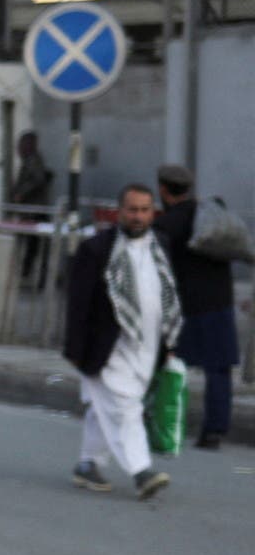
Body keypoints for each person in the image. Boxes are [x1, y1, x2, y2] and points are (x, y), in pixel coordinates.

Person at [64, 182, 179, 499]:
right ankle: (142, 471)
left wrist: (170, 344)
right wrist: (74, 348)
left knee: (107, 407)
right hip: (107, 346)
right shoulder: (97, 250)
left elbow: (167, 296)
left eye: (144, 210)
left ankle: (87, 464)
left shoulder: (160, 246)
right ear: (120, 211)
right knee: (123, 406)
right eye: (132, 210)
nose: (138, 216)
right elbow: (78, 302)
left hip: (147, 346)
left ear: (152, 213)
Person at [151, 163, 240, 449]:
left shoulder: (167, 224)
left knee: (164, 364)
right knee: (219, 370)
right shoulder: (211, 215)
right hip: (221, 302)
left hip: (187, 307)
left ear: (163, 190)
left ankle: (157, 420)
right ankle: (214, 431)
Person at [9, 132, 54, 210]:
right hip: (33, 205)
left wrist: (21, 193)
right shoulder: (29, 160)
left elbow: (37, 180)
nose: (18, 147)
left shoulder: (33, 160)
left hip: (33, 206)